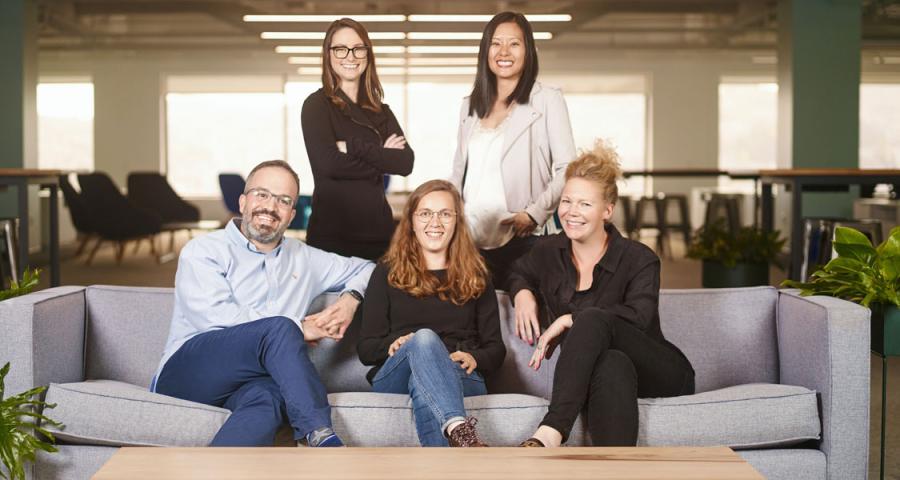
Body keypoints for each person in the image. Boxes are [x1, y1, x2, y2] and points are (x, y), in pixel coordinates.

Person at [152, 160, 375, 447]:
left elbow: (368, 269)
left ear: (292, 214)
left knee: (269, 399)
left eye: (283, 200)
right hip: (188, 372)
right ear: (243, 202)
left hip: (253, 380)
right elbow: (215, 320)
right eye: (262, 194)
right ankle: (321, 437)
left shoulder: (305, 258)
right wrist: (296, 328)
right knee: (280, 328)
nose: (270, 206)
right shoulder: (204, 250)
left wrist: (350, 300)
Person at [508, 141, 695, 447]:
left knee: (594, 319)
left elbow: (638, 317)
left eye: (585, 204)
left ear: (607, 210)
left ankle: (552, 430)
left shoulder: (640, 258)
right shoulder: (548, 251)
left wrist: (571, 318)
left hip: (659, 370)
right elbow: (516, 272)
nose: (571, 212)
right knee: (611, 362)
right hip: (607, 374)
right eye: (567, 201)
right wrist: (522, 293)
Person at [357, 180, 506, 447]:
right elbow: (366, 350)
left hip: (458, 372)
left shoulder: (477, 276)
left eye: (445, 214)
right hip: (396, 374)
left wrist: (475, 357)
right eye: (425, 213)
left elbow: (496, 349)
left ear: (457, 221)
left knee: (424, 379)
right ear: (411, 222)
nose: (434, 222)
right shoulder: (386, 273)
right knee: (424, 340)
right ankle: (458, 427)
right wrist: (394, 345)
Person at [450, 11, 576, 290]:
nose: (504, 51)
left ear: (528, 51)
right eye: (496, 43)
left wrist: (534, 214)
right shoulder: (469, 105)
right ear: (485, 50)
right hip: (470, 239)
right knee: (478, 324)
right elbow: (459, 170)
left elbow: (567, 168)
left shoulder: (547, 100)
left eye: (514, 44)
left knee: (525, 321)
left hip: (523, 236)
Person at [301, 17, 414, 260]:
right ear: (328, 55)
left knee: (375, 298)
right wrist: (382, 156)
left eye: (358, 48)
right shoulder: (316, 105)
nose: (350, 56)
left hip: (378, 237)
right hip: (331, 237)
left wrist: (350, 147)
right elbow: (328, 164)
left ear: (367, 53)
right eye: (340, 49)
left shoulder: (381, 111)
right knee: (332, 300)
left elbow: (405, 163)